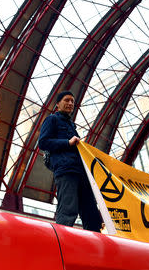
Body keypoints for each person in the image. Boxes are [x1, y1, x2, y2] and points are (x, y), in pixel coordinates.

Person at [38, 91, 102, 232]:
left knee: (92, 214)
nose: (70, 103)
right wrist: (67, 142)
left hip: (81, 173)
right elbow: (42, 142)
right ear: (57, 104)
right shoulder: (52, 120)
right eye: (67, 100)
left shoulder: (72, 126)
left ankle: (97, 246)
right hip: (66, 171)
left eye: (72, 101)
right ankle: (60, 244)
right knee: (68, 210)